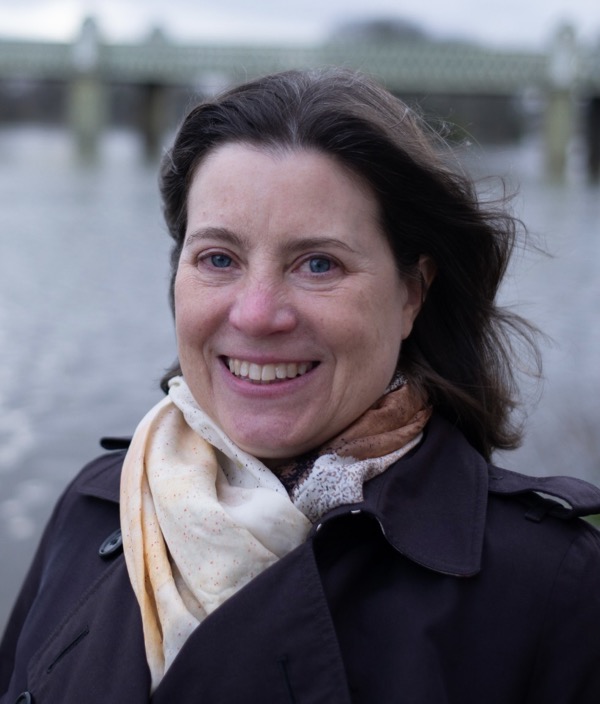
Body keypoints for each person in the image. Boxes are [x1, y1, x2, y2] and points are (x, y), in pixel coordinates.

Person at [1, 67, 600, 704]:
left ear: (411, 294)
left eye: (319, 264)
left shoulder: (550, 589)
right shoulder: (97, 506)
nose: (257, 314)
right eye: (219, 259)